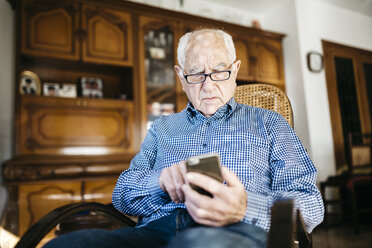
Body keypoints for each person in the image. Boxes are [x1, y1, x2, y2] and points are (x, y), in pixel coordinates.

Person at [44, 29, 324, 248]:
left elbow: (311, 204)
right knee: (70, 243)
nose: (209, 85)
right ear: (181, 76)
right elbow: (122, 196)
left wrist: (245, 207)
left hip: (235, 231)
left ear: (235, 71)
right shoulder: (162, 128)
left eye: (219, 70)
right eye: (196, 74)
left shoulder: (268, 122)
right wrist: (160, 182)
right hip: (157, 232)